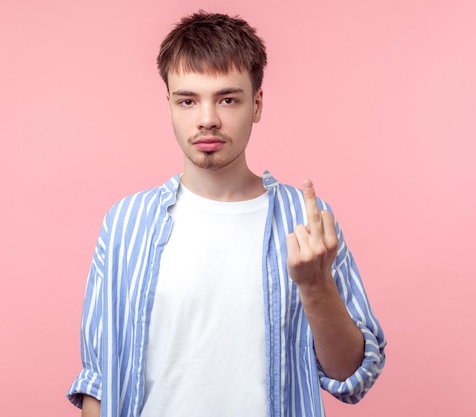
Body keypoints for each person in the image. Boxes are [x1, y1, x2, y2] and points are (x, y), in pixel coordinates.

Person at [67, 11, 386, 417]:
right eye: (188, 100)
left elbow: (352, 375)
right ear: (169, 105)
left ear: (256, 104)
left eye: (228, 99)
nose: (207, 119)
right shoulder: (126, 222)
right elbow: (98, 378)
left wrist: (315, 286)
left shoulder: (305, 219)